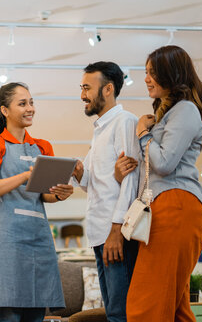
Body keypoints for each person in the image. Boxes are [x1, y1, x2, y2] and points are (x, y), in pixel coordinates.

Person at [115, 45, 202, 322]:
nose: (146, 78)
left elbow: (165, 163)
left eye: (152, 73)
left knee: (145, 305)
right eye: (145, 72)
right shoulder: (172, 113)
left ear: (172, 74)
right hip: (171, 208)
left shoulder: (185, 110)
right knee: (176, 308)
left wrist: (144, 133)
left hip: (176, 206)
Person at [0, 82, 73, 322]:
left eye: (31, 102)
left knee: (36, 312)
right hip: (7, 237)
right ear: (4, 110)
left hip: (38, 236)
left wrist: (60, 193)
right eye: (22, 103)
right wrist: (24, 175)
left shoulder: (43, 147)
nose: (30, 108)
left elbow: (44, 195)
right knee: (9, 313)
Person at [71, 61, 140, 322]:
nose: (82, 95)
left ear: (108, 89)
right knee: (113, 313)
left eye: (87, 88)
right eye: (82, 88)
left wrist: (116, 232)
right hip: (100, 236)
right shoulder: (100, 129)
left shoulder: (125, 122)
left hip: (116, 235)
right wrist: (79, 172)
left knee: (121, 315)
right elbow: (91, 183)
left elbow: (130, 181)